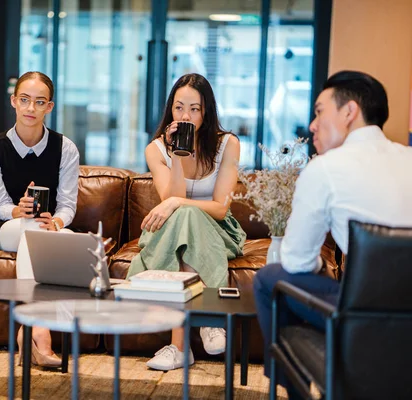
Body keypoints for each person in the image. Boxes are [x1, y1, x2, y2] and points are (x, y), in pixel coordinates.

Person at [253, 70, 412, 399]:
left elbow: (296, 262)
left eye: (319, 111)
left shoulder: (325, 168)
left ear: (349, 111)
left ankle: (298, 384)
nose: (312, 124)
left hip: (364, 316)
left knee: (268, 279)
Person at [127, 73, 246, 371]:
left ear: (207, 112)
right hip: (171, 232)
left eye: (195, 109)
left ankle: (179, 347)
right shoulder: (155, 150)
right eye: (179, 107)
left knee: (187, 214)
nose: (186, 116)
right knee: (183, 221)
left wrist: (179, 202)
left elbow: (220, 208)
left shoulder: (227, 144)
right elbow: (171, 195)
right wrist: (177, 154)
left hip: (217, 231)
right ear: (170, 110)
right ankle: (208, 320)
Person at [0, 71, 80, 368]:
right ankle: (42, 332)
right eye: (24, 100)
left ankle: (30, 331)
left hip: (48, 227)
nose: (30, 108)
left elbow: (68, 205)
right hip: (6, 226)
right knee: (33, 229)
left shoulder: (66, 149)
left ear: (50, 106)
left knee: (67, 241)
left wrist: (57, 222)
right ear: (14, 102)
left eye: (39, 101)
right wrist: (18, 211)